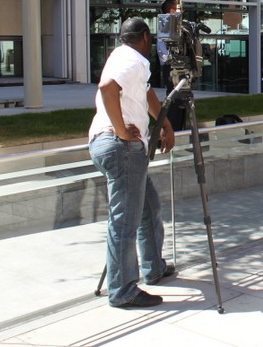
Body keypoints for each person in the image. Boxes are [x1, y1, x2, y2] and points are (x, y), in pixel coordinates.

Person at [88, 17, 176, 308]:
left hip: (112, 145)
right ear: (146, 37)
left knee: (149, 208)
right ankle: (123, 290)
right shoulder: (133, 60)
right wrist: (123, 130)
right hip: (121, 148)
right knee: (124, 223)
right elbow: (107, 87)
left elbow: (145, 93)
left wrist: (164, 124)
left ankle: (154, 267)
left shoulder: (123, 56)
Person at [156, 0, 186, 131]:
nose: (182, 11)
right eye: (179, 9)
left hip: (178, 65)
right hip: (170, 68)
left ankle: (179, 127)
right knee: (174, 99)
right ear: (172, 11)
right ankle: (170, 128)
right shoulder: (165, 27)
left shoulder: (178, 27)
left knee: (182, 99)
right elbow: (164, 51)